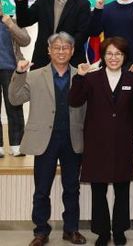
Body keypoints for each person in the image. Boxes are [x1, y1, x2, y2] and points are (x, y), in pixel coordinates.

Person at [9, 32, 87, 246]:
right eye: (56, 47)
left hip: (73, 139)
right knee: (42, 189)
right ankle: (41, 231)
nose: (61, 51)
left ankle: (71, 230)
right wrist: (19, 73)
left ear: (72, 51)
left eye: (66, 47)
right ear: (49, 51)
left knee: (72, 188)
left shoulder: (81, 75)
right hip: (45, 140)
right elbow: (14, 99)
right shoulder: (34, 75)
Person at [68, 37, 133, 246]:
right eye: (109, 53)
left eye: (118, 54)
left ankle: (119, 231)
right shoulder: (91, 78)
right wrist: (79, 77)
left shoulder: (132, 80)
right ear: (103, 56)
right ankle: (102, 232)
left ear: (124, 57)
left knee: (122, 190)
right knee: (98, 191)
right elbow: (74, 101)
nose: (113, 58)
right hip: (97, 144)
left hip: (123, 144)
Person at [14, 0, 91, 68]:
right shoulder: (42, 2)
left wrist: (63, 49)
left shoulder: (82, 4)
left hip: (72, 58)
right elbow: (24, 22)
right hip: (43, 56)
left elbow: (83, 33)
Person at [0, 4, 30, 157]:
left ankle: (17, 145)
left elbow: (26, 40)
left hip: (11, 68)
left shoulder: (12, 20)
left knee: (14, 106)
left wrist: (10, 25)